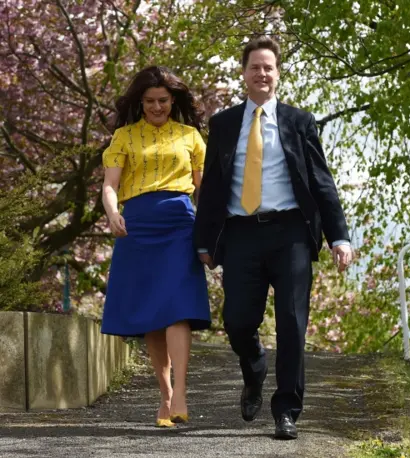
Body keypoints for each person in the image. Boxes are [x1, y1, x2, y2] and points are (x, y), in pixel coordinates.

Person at [193, 36, 354, 440]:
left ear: (277, 74)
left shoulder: (299, 122)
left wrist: (339, 236)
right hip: (241, 234)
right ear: (243, 73)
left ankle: (286, 411)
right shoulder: (224, 124)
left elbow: (321, 182)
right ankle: (254, 367)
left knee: (292, 324)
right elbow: (212, 186)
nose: (261, 74)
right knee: (237, 322)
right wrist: (204, 241)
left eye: (269, 67)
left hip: (291, 235)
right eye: (254, 67)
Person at [101, 66, 211, 428]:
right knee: (153, 315)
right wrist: (113, 212)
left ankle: (180, 393)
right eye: (149, 101)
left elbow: (203, 189)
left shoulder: (191, 136)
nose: (157, 107)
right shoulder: (124, 137)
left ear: (173, 100)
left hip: (180, 225)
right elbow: (110, 185)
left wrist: (210, 231)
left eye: (163, 100)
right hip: (139, 227)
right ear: (140, 102)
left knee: (178, 308)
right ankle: (164, 395)